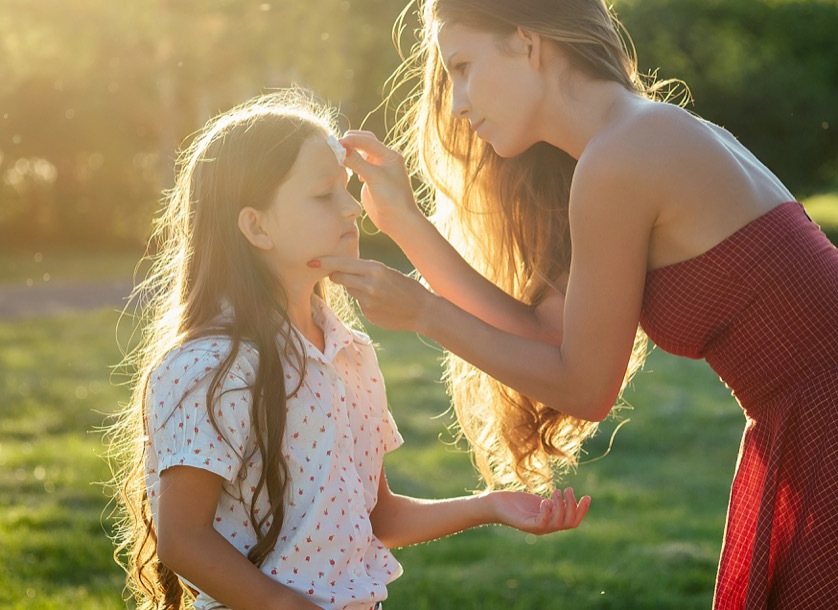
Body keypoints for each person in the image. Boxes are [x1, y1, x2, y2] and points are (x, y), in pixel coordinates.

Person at [315, 0, 838, 609]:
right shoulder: (631, 141)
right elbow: (541, 331)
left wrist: (424, 316)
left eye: (462, 66)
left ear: (528, 43)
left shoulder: (624, 156)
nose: (458, 100)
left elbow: (584, 386)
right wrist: (406, 224)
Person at [106, 88, 590, 610]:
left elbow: (376, 518)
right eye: (323, 195)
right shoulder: (209, 366)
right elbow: (185, 539)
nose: (352, 208)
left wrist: (489, 505)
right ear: (256, 226)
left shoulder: (350, 353)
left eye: (347, 189)